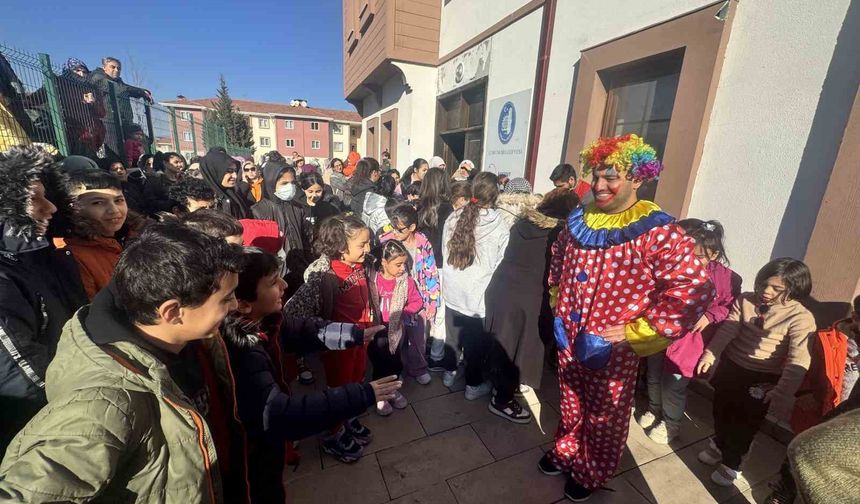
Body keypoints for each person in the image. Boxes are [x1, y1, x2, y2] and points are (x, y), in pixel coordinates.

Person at [0, 222, 243, 502]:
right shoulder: (104, 403)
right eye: (226, 298)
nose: (235, 305)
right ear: (173, 312)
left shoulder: (191, 341)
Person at [542, 134, 713, 501]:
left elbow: (695, 288)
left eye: (611, 177)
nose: (599, 185)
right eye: (596, 176)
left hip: (612, 346)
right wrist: (558, 301)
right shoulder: (579, 218)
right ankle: (567, 449)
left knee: (606, 414)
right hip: (568, 334)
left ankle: (592, 469)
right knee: (570, 398)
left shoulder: (657, 231)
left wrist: (643, 329)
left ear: (638, 178)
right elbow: (558, 256)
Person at [221, 247, 399, 502]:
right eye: (273, 282)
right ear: (244, 304)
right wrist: (363, 394)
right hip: (251, 461)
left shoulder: (267, 321)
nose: (284, 285)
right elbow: (281, 414)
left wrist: (355, 334)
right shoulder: (243, 352)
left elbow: (303, 330)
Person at [696, 258, 815, 487]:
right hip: (731, 366)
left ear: (795, 289)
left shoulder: (801, 318)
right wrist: (710, 354)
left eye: (776, 289)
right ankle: (720, 444)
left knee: (745, 423)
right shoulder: (746, 299)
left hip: (762, 378)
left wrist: (782, 391)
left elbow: (798, 360)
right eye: (763, 284)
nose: (766, 292)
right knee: (721, 410)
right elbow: (728, 329)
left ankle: (733, 462)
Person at [0, 146, 88, 454]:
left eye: (48, 195)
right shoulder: (6, 275)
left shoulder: (43, 255)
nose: (50, 207)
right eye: (34, 198)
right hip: (45, 428)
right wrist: (82, 409)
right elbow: (21, 374)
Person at [636, 219, 741, 444]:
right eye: (688, 253)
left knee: (673, 384)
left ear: (714, 254)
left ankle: (671, 423)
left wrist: (709, 316)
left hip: (688, 342)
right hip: (660, 333)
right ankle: (654, 409)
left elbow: (729, 305)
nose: (692, 260)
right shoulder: (673, 266)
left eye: (699, 256)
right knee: (653, 375)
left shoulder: (726, 277)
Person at [284, 214, 378, 462]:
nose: (368, 249)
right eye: (362, 244)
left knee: (357, 378)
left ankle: (349, 416)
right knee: (338, 388)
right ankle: (333, 433)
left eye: (368, 243)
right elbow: (294, 311)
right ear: (341, 247)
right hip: (339, 344)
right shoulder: (325, 274)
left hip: (361, 337)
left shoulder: (361, 265)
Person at [442, 172, 526, 423]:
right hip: (477, 294)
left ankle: (448, 374)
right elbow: (500, 263)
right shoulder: (500, 224)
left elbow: (445, 249)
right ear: (496, 195)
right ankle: (473, 385)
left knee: (452, 335)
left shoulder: (454, 215)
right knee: (475, 343)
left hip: (453, 288)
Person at [764, 294, 859, 504]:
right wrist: (806, 392)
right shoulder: (828, 339)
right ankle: (785, 488)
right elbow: (805, 365)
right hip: (822, 405)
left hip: (852, 411)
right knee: (804, 448)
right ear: (855, 318)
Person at [484, 189, 579, 395]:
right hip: (532, 295)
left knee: (504, 339)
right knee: (526, 344)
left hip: (501, 287)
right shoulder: (559, 234)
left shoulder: (521, 223)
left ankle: (497, 382)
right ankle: (504, 396)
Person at [382, 203, 438, 384]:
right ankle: (397, 369)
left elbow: (431, 272)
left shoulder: (423, 243)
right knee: (396, 338)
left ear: (412, 227)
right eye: (393, 228)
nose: (395, 232)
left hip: (418, 299)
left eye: (399, 229)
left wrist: (432, 301)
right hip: (396, 299)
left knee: (418, 337)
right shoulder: (387, 242)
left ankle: (419, 368)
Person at [369, 240, 422, 416]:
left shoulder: (406, 282)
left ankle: (392, 391)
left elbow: (417, 301)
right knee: (379, 364)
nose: (402, 268)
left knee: (395, 363)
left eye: (404, 264)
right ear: (384, 262)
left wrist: (404, 314)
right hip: (376, 331)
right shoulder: (373, 279)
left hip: (396, 332)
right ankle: (380, 395)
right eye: (398, 264)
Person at [62, 170, 131, 299]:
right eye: (98, 203)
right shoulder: (74, 257)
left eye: (118, 200)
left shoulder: (136, 237)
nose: (114, 210)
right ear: (74, 208)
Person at [252, 162, 314, 297]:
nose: (290, 187)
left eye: (293, 183)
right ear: (271, 183)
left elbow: (305, 238)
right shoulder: (259, 210)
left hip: (300, 269)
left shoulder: (298, 208)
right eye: (284, 183)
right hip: (276, 274)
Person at [199, 147, 254, 219]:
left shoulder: (232, 194)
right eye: (229, 171)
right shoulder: (205, 203)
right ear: (215, 171)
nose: (235, 176)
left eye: (235, 170)